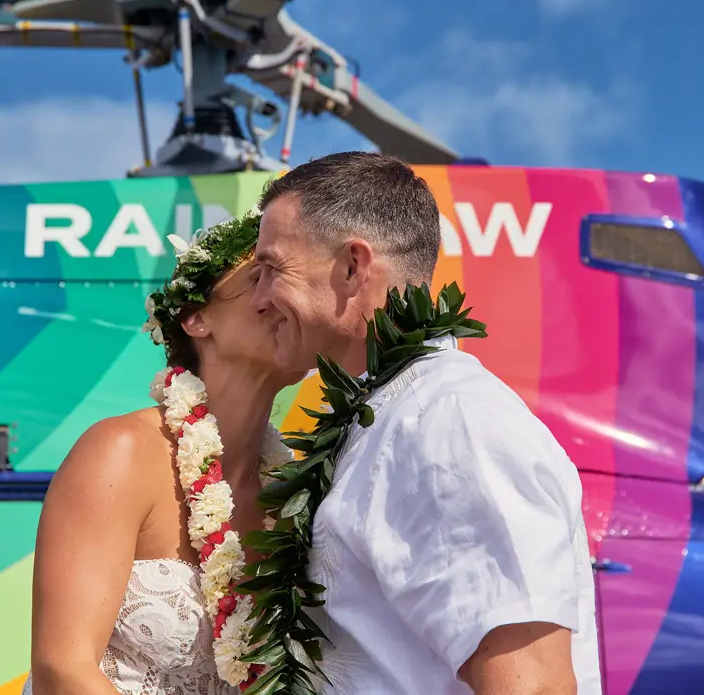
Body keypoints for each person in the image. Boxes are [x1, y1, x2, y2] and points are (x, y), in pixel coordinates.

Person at [250, 151, 602, 695]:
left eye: (272, 269)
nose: (258, 299)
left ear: (353, 267)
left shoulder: (448, 421)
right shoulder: (390, 415)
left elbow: (532, 685)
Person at [22, 209, 301, 695]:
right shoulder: (120, 452)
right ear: (197, 318)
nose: (281, 295)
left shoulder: (292, 487)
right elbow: (61, 670)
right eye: (258, 276)